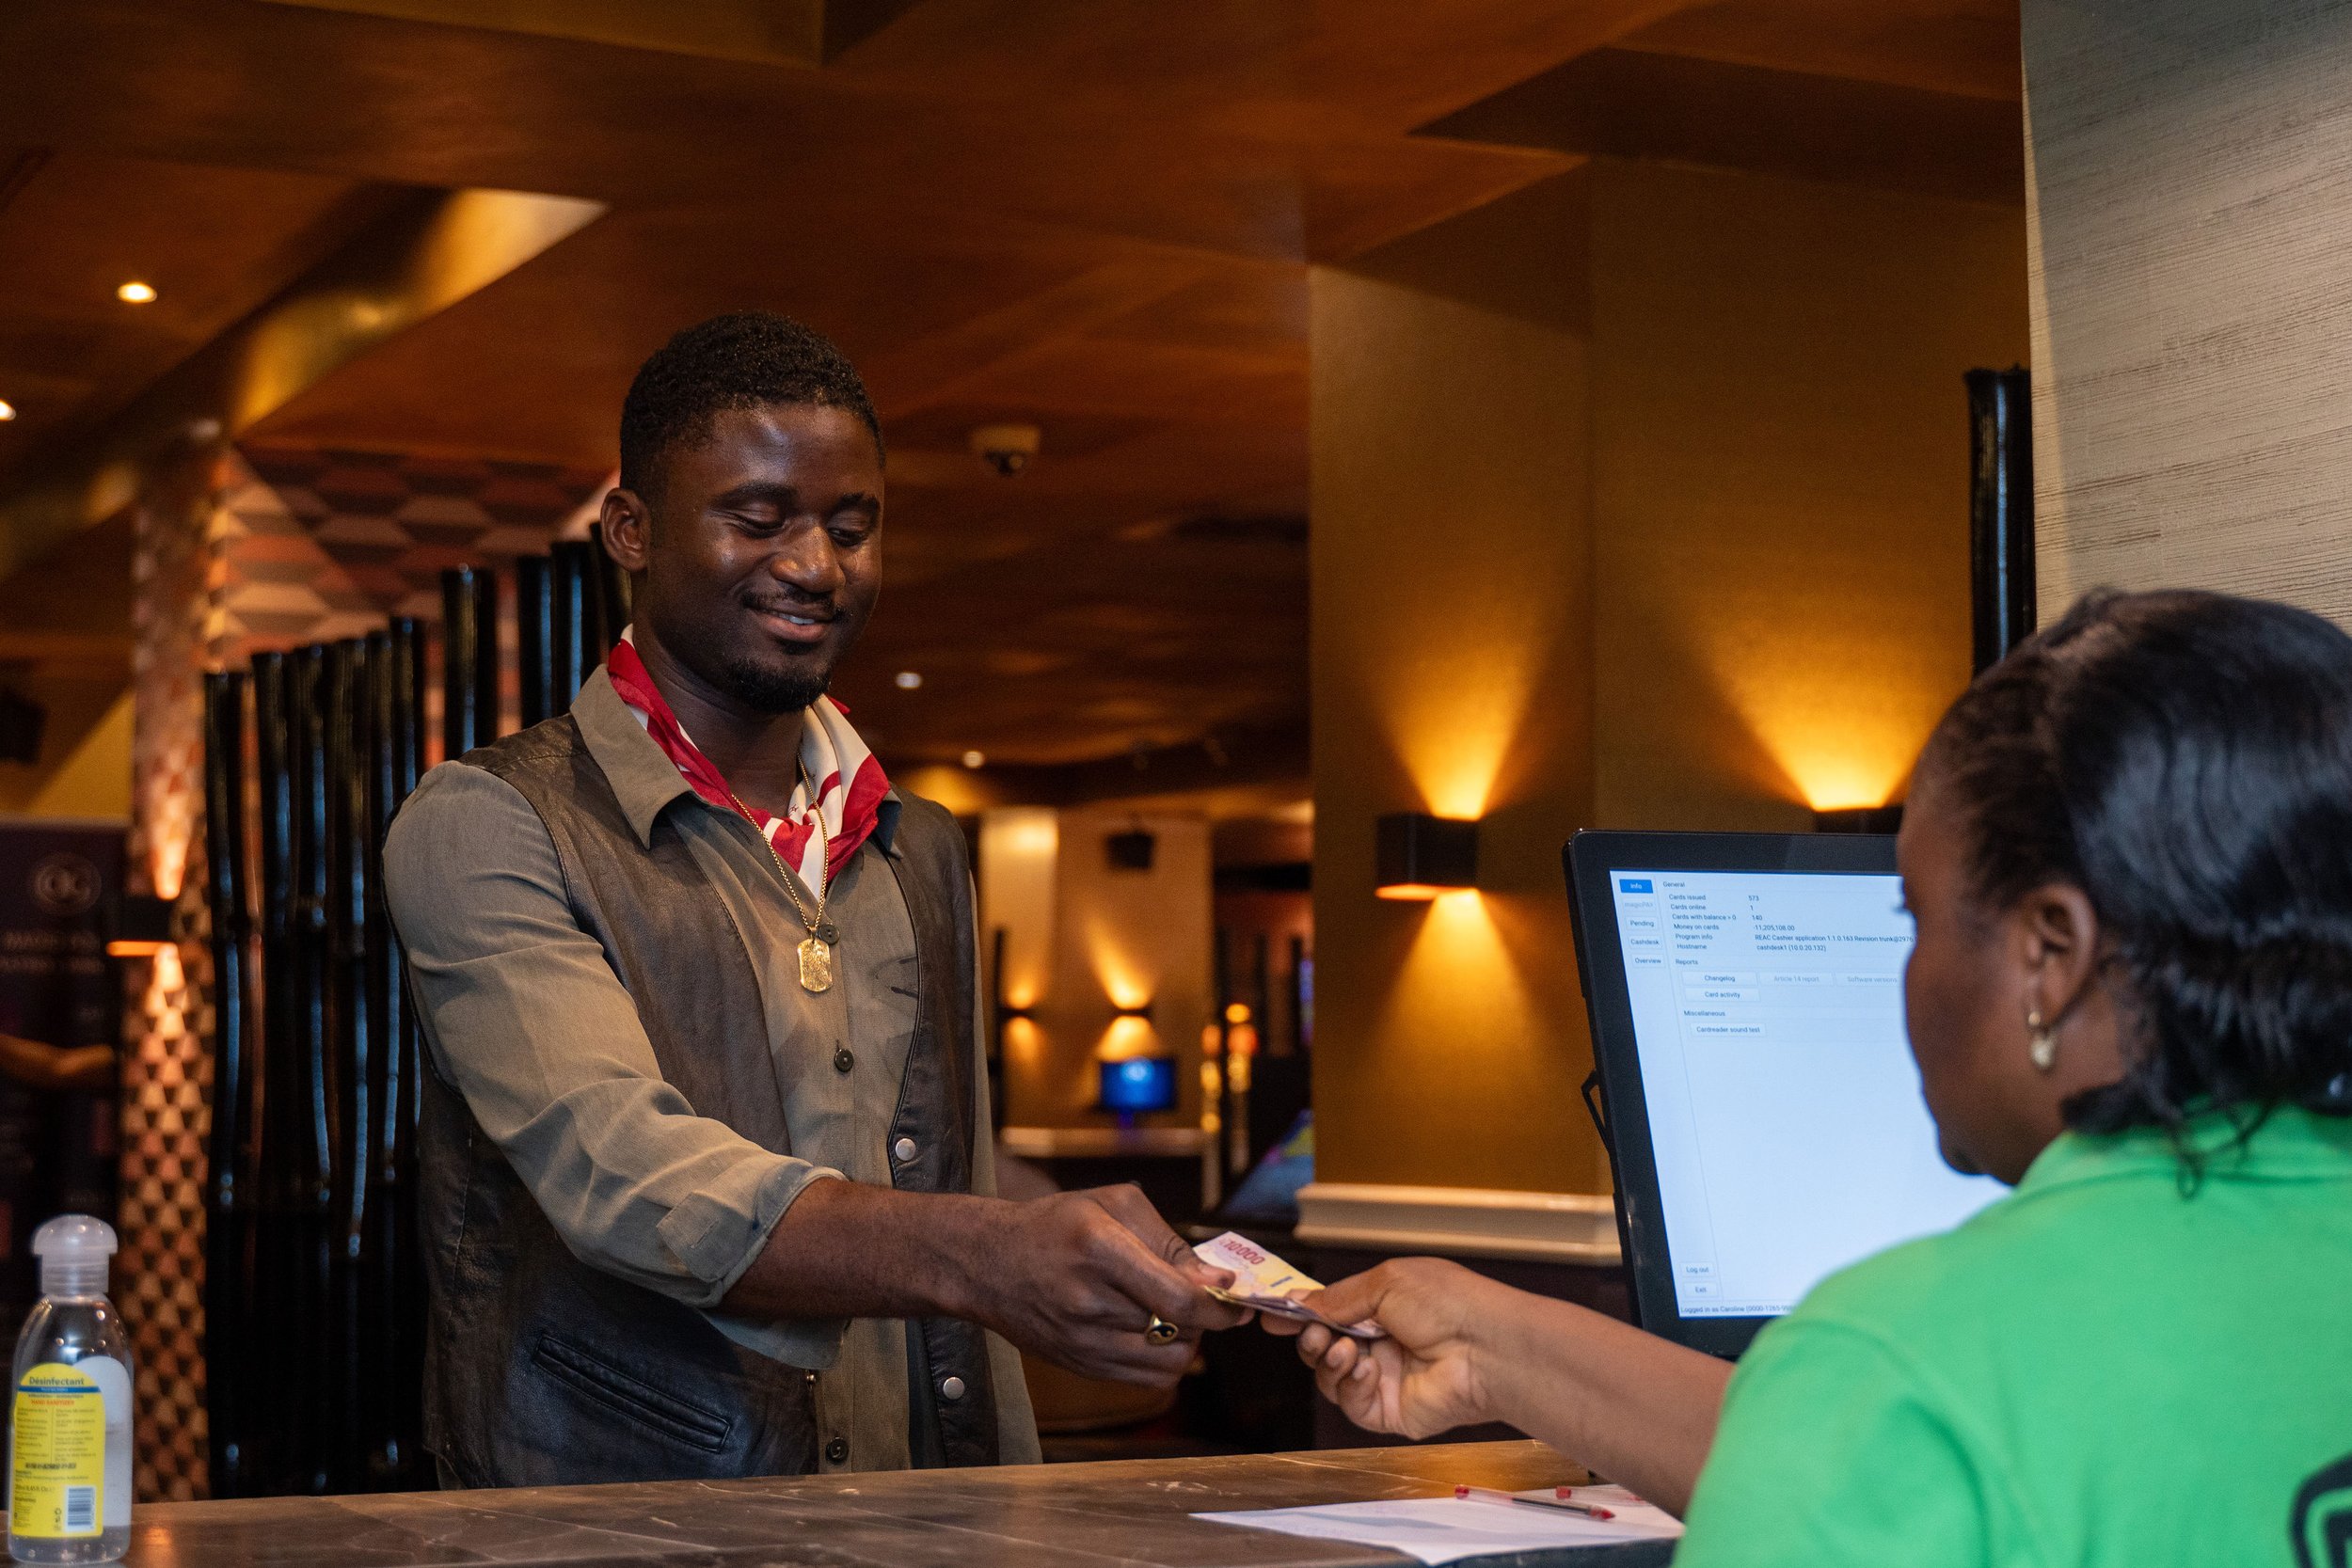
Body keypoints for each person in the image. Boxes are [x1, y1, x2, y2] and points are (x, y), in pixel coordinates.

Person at [1276, 589, 2352, 1564]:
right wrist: (1481, 1342)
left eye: (1915, 917)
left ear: (2049, 957)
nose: (1908, 970)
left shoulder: (1902, 1362)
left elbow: (1876, 1430)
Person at [385, 312, 1244, 1490]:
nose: (815, 565)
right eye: (759, 518)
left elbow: (940, 1159)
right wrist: (989, 1254)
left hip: (919, 1498)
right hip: (624, 1513)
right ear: (630, 531)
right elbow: (627, 1176)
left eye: (853, 526)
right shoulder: (487, 820)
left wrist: (1145, 1266)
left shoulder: (918, 842)